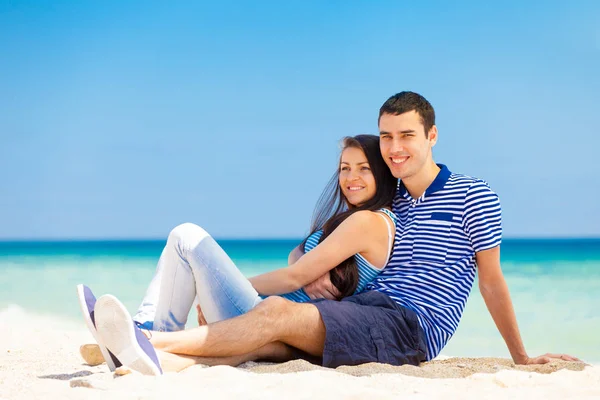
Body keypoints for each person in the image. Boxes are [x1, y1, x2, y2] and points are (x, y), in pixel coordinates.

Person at [89, 91, 579, 375]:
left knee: (277, 312)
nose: (395, 146)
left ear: (432, 136)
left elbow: (490, 280)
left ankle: (143, 339)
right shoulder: (395, 201)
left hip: (412, 327)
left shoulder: (473, 194)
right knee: (268, 342)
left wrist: (521, 357)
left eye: (406, 135)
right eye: (386, 136)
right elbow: (362, 260)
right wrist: (323, 273)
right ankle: (142, 356)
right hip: (365, 310)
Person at [77, 134, 399, 373]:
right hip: (270, 321)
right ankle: (145, 335)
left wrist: (235, 284)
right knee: (183, 239)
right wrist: (309, 268)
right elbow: (295, 257)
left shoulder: (368, 221)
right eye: (345, 168)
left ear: (382, 175)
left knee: (186, 236)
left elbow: (294, 275)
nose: (350, 178)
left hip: (269, 321)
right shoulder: (352, 220)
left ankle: (145, 331)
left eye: (363, 169)